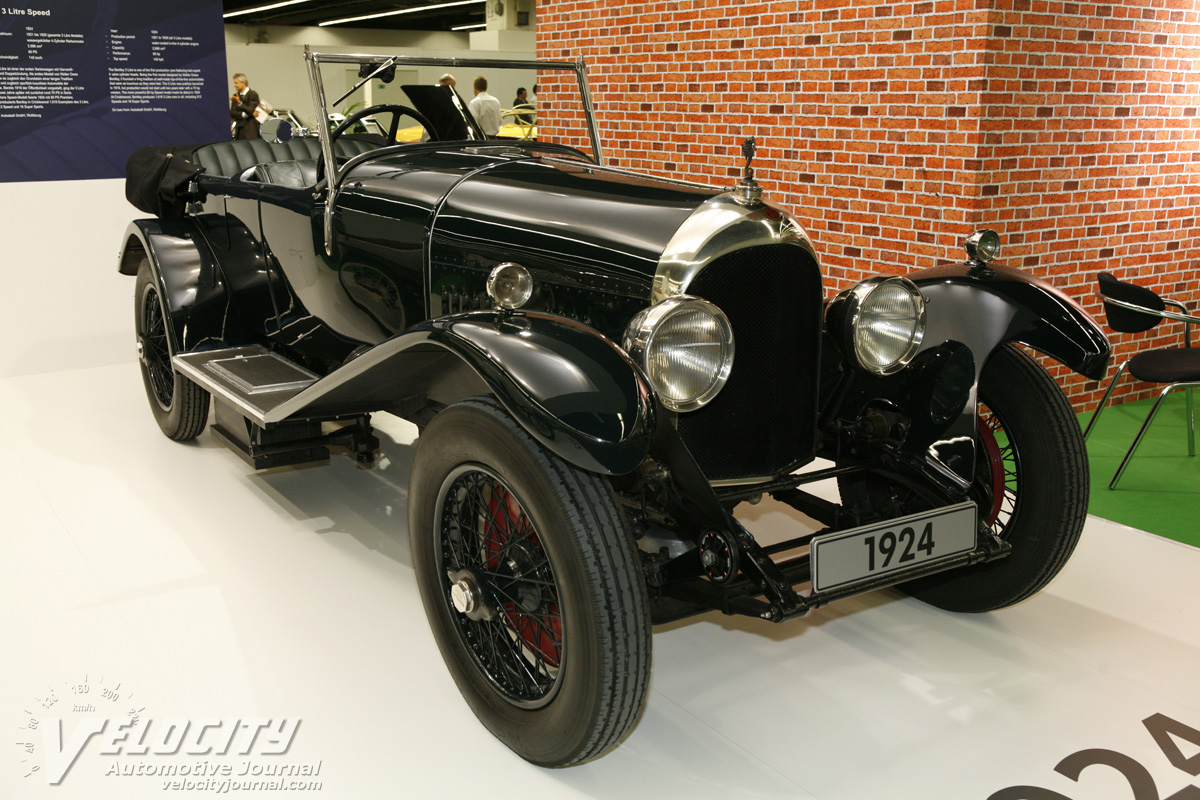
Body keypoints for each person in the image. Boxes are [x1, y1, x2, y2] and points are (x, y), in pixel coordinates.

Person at [229, 73, 260, 140]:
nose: (234, 85)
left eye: (236, 83)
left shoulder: (252, 94)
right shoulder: (236, 96)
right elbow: (232, 113)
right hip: (239, 131)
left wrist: (239, 103)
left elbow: (251, 109)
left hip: (251, 131)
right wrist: (245, 114)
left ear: (243, 83)